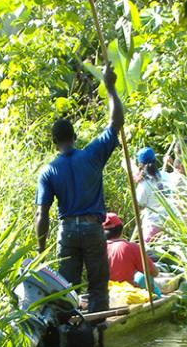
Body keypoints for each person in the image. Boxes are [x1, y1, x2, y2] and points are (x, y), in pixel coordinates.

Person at [35, 64, 124, 314]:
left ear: (54, 143)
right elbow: (116, 122)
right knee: (97, 286)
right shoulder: (92, 155)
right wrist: (110, 88)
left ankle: (67, 335)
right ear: (74, 137)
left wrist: (41, 250)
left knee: (66, 288)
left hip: (67, 232)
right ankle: (98, 335)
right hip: (93, 229)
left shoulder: (49, 171)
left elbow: (42, 215)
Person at [103, 212, 159, 286]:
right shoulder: (131, 247)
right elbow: (154, 273)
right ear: (121, 230)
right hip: (125, 292)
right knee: (144, 278)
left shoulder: (95, 248)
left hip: (102, 292)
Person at [134, 146, 171, 243]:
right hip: (171, 224)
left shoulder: (143, 185)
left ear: (141, 164)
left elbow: (139, 204)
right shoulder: (166, 176)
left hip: (153, 226)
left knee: (148, 254)